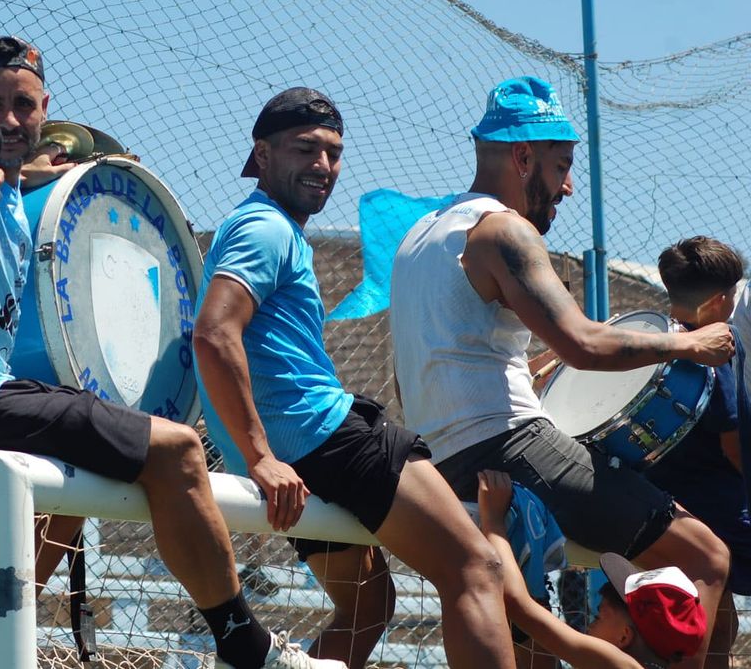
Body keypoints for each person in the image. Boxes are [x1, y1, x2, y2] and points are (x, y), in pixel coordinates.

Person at [0, 36, 343, 669]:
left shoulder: (14, 183)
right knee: (176, 447)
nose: (9, 120)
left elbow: (46, 157)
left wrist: (67, 159)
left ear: (43, 112)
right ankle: (249, 650)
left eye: (24, 105)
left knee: (77, 482)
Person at [389, 75, 735, 668]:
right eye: (561, 165)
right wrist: (688, 345)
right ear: (524, 157)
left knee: (530, 637)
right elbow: (583, 343)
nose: (569, 186)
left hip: (444, 461)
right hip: (511, 442)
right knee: (706, 556)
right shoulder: (503, 230)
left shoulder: (419, 236)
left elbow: (414, 376)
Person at [193, 87, 517, 669]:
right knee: (479, 568)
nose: (323, 165)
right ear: (261, 156)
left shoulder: (265, 229)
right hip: (327, 438)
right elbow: (215, 335)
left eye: (334, 153)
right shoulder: (263, 229)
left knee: (369, 603)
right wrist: (261, 455)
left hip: (304, 452)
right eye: (305, 149)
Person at [477, 470, 707, 669]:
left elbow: (519, 605)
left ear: (625, 636)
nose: (589, 625)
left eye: (598, 616)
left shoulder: (617, 664)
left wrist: (494, 520)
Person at [644, 237, 749, 668]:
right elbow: (732, 444)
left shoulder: (650, 340)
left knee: (713, 617)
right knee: (716, 627)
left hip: (665, 507)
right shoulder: (716, 346)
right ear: (722, 300)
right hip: (720, 504)